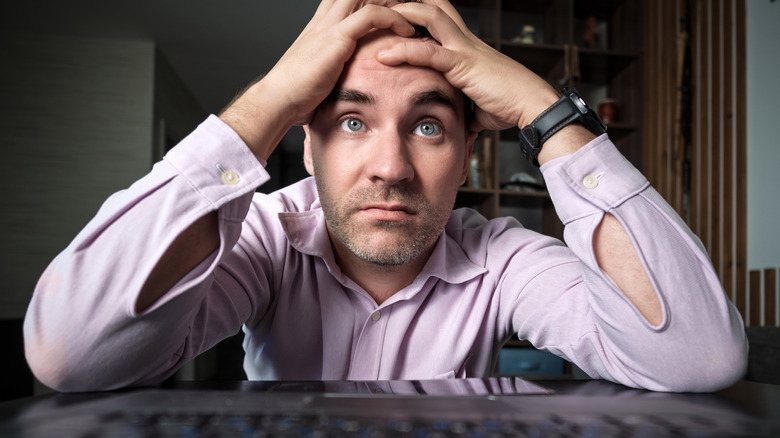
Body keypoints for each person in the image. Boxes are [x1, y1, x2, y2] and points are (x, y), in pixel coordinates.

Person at [23, 0, 747, 393]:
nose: (390, 167)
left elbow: (699, 359)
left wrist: (543, 109)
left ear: (467, 155)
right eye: (350, 121)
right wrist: (270, 98)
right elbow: (68, 355)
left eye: (428, 126)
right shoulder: (268, 236)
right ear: (306, 148)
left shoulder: (500, 255)